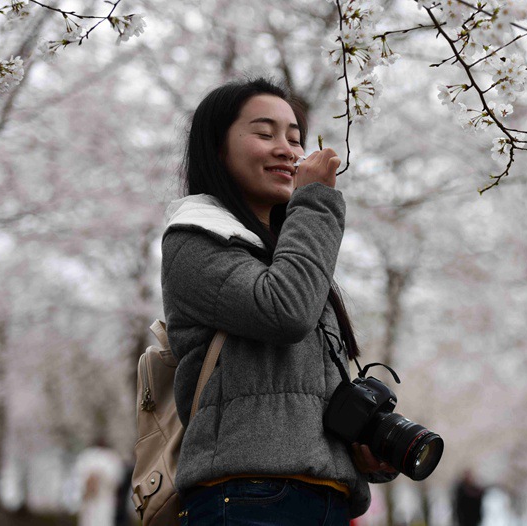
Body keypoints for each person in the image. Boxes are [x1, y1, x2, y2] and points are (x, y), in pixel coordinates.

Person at [161, 77, 397, 525]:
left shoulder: (285, 255)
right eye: (264, 133)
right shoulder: (194, 241)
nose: (288, 150)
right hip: (250, 497)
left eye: (294, 138)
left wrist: (360, 451)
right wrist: (315, 202)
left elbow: (298, 391)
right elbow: (286, 313)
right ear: (216, 149)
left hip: (323, 498)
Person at [74, 439, 123, 526]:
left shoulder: (111, 458)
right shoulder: (87, 457)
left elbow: (116, 480)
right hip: (89, 501)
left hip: (104, 500)